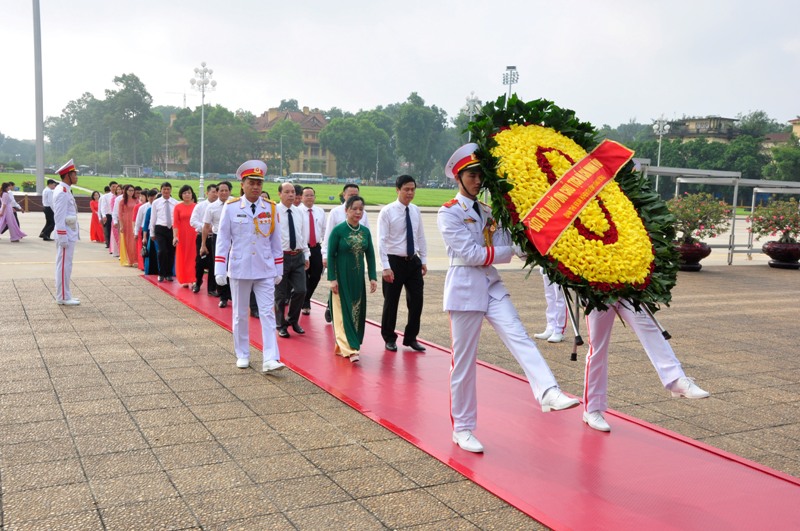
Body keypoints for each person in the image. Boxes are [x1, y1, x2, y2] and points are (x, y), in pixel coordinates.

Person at [438, 144, 579, 453]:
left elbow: (512, 244)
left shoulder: (489, 212)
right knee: (463, 363)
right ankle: (462, 428)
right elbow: (472, 254)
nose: (478, 181)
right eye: (472, 175)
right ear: (458, 178)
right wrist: (510, 251)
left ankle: (548, 391)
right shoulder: (448, 213)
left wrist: (536, 237)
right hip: (464, 289)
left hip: (491, 284)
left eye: (480, 175)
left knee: (520, 336)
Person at [582, 302, 710, 432]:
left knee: (649, 327)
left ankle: (675, 379)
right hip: (598, 291)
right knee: (597, 349)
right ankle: (593, 408)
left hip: (628, 288)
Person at [214, 160, 285, 373]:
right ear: (242, 184)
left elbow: (275, 241)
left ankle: (270, 358)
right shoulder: (232, 207)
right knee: (239, 314)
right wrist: (219, 268)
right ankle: (243, 353)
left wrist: (278, 268)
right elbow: (223, 239)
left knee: (267, 313)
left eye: (259, 183)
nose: (256, 187)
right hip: (240, 268)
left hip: (264, 268)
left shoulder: (270, 208)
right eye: (251, 182)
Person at [377, 174, 427, 352]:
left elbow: (420, 235)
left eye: (413, 189)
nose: (410, 193)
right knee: (391, 302)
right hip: (393, 261)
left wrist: (424, 259)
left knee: (417, 301)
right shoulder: (387, 212)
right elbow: (381, 241)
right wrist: (385, 267)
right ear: (397, 190)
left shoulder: (415, 210)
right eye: (406, 189)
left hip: (412, 261)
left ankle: (411, 337)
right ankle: (389, 337)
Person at [327, 195, 377, 363]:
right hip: (341, 277)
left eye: (360, 209)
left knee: (356, 310)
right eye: (354, 209)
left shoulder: (365, 231)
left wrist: (372, 277)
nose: (357, 212)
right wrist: (332, 278)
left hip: (357, 278)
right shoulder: (338, 230)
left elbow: (370, 255)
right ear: (346, 210)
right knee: (343, 311)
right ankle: (351, 349)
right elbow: (331, 255)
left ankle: (344, 344)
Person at [322, 183, 369, 322]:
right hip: (338, 255)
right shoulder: (335, 212)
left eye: (356, 195)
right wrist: (325, 255)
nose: (354, 197)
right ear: (344, 195)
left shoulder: (362, 213)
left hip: (354, 256)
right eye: (351, 195)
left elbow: (365, 233)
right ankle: (332, 306)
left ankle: (347, 311)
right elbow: (328, 235)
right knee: (337, 283)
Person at [274, 182, 309, 337]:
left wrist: (306, 254)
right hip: (281, 257)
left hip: (298, 255)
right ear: (280, 194)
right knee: (281, 295)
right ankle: (281, 324)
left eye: (293, 192)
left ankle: (292, 320)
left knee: (301, 290)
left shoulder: (299, 212)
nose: (291, 195)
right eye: (287, 192)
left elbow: (302, 234)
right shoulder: (273, 211)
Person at [52, 160, 80, 305]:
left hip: (69, 233)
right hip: (66, 235)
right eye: (74, 174)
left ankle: (65, 294)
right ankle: (63, 297)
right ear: (68, 175)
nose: (76, 177)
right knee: (63, 265)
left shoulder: (65, 190)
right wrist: (62, 236)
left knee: (66, 265)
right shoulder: (62, 192)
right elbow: (59, 216)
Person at [202, 181, 232, 303]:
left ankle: (232, 293)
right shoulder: (211, 207)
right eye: (221, 190)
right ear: (217, 192)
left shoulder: (235, 204)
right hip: (218, 239)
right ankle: (223, 296)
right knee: (220, 266)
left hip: (235, 239)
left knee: (233, 265)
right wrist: (203, 244)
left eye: (226, 190)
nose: (224, 193)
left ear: (230, 191)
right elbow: (205, 226)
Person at [299, 186, 326, 315]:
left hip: (316, 248)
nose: (309, 197)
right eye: (307, 195)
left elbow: (325, 230)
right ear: (302, 197)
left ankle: (305, 297)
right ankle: (305, 303)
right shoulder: (297, 211)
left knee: (316, 275)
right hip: (302, 248)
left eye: (311, 195)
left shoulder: (320, 211)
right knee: (303, 277)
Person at [191, 184, 218, 294]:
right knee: (200, 261)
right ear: (207, 193)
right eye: (213, 192)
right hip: (202, 237)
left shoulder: (221, 206)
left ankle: (211, 289)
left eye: (217, 192)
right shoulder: (200, 206)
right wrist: (205, 228)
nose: (215, 194)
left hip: (215, 237)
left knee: (213, 263)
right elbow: (193, 221)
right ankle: (197, 282)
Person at [149, 182, 178, 282]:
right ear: (161, 190)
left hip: (172, 229)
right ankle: (161, 273)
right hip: (160, 228)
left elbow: (177, 219)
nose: (166, 191)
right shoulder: (156, 203)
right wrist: (152, 233)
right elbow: (153, 218)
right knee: (162, 251)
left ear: (171, 190)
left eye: (168, 189)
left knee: (171, 252)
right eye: (164, 189)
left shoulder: (175, 203)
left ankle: (169, 273)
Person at [172, 184, 198, 287]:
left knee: (194, 256)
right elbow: (176, 223)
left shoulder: (196, 206)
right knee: (182, 257)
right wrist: (175, 236)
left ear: (192, 194)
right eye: (184, 193)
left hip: (194, 234)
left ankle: (194, 278)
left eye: (189, 193)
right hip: (182, 235)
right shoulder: (178, 207)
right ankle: (184, 279)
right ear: (181, 195)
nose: (187, 195)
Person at [533, 268, 567, 343]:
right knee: (550, 296)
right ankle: (551, 327)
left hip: (559, 262)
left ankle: (559, 330)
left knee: (560, 296)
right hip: (546, 261)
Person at [114, 184, 138, 267]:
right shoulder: (122, 201)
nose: (131, 192)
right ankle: (129, 259)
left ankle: (135, 259)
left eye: (132, 190)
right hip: (126, 222)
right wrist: (121, 225)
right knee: (127, 241)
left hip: (134, 221)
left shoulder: (137, 200)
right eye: (129, 190)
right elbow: (120, 214)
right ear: (126, 191)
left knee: (134, 241)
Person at [141, 189, 159, 276]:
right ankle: (150, 270)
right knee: (151, 254)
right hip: (151, 234)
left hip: (163, 234)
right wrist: (144, 237)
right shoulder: (150, 210)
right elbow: (145, 225)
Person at [99, 183, 116, 248]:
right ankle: (108, 244)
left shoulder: (118, 196)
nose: (114, 188)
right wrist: (103, 215)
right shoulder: (105, 196)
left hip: (115, 215)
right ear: (110, 187)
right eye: (113, 186)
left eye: (115, 186)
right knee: (108, 230)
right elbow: (103, 207)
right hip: (108, 215)